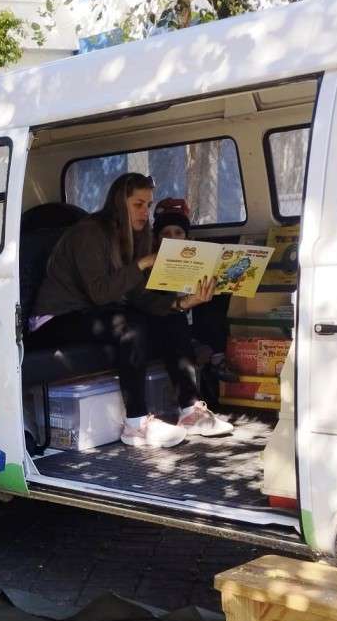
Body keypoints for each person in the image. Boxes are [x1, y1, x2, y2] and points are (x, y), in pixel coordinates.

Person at [28, 173, 233, 448]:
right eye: (138, 204)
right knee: (130, 325)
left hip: (95, 313)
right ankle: (136, 424)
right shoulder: (88, 233)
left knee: (170, 319)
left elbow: (138, 296)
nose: (144, 212)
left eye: (148, 205)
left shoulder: (136, 236)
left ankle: (190, 409)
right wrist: (142, 263)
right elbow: (100, 293)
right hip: (54, 319)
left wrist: (181, 303)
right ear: (118, 203)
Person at [152, 197, 238, 401]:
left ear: (187, 238)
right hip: (169, 319)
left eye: (178, 233)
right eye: (166, 234)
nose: (173, 238)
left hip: (196, 320)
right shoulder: (152, 261)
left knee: (217, 297)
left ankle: (218, 358)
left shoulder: (197, 260)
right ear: (157, 239)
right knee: (176, 319)